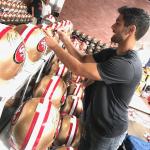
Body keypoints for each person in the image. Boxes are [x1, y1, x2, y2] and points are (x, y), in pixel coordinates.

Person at [45, 6, 150, 150]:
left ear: (131, 30)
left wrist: (54, 45)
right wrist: (65, 39)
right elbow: (82, 59)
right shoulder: (112, 53)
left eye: (118, 23)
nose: (112, 27)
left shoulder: (128, 65)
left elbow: (78, 69)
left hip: (107, 131)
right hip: (92, 119)